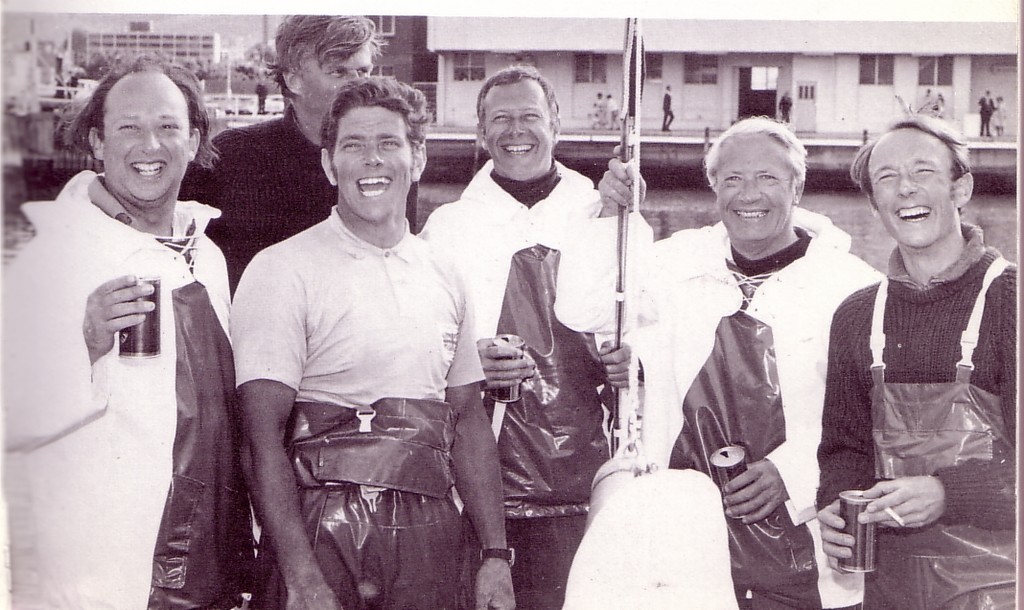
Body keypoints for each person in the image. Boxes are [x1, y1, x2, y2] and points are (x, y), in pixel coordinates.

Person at [554, 116, 881, 609]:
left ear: (797, 186)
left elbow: (873, 415)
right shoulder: (676, 261)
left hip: (803, 545)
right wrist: (610, 214)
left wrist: (792, 474)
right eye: (732, 178)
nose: (749, 194)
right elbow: (584, 310)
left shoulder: (854, 286)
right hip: (686, 540)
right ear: (712, 186)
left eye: (768, 177)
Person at [231, 76, 514, 610]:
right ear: (328, 163)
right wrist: (302, 578)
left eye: (388, 143)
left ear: (419, 157)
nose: (372, 160)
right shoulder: (281, 269)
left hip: (430, 530)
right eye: (353, 146)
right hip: (320, 530)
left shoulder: (445, 271)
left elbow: (468, 420)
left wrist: (496, 554)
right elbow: (258, 439)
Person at [3, 56, 254, 609]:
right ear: (95, 142)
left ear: (193, 141)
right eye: (129, 127)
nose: (150, 145)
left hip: (210, 560)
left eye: (168, 127)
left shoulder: (206, 252)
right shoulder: (42, 253)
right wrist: (85, 345)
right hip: (104, 569)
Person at [420, 65, 611, 610]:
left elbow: (647, 328)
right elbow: (419, 347)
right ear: (481, 133)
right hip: (477, 486)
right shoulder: (448, 228)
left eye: (529, 115)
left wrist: (628, 361)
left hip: (590, 478)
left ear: (556, 123)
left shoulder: (606, 215)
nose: (515, 130)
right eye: (499, 118)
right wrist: (468, 360)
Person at [816, 115, 1016, 610]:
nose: (905, 189)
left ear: (961, 187)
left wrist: (949, 493)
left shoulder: (1012, 302)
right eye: (886, 178)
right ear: (875, 204)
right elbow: (844, 448)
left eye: (923, 171)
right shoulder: (856, 315)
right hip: (889, 589)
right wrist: (837, 509)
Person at [181, 16, 416, 292]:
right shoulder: (230, 157)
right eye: (339, 72)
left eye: (363, 72)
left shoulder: (391, 164)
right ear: (294, 80)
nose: (358, 86)